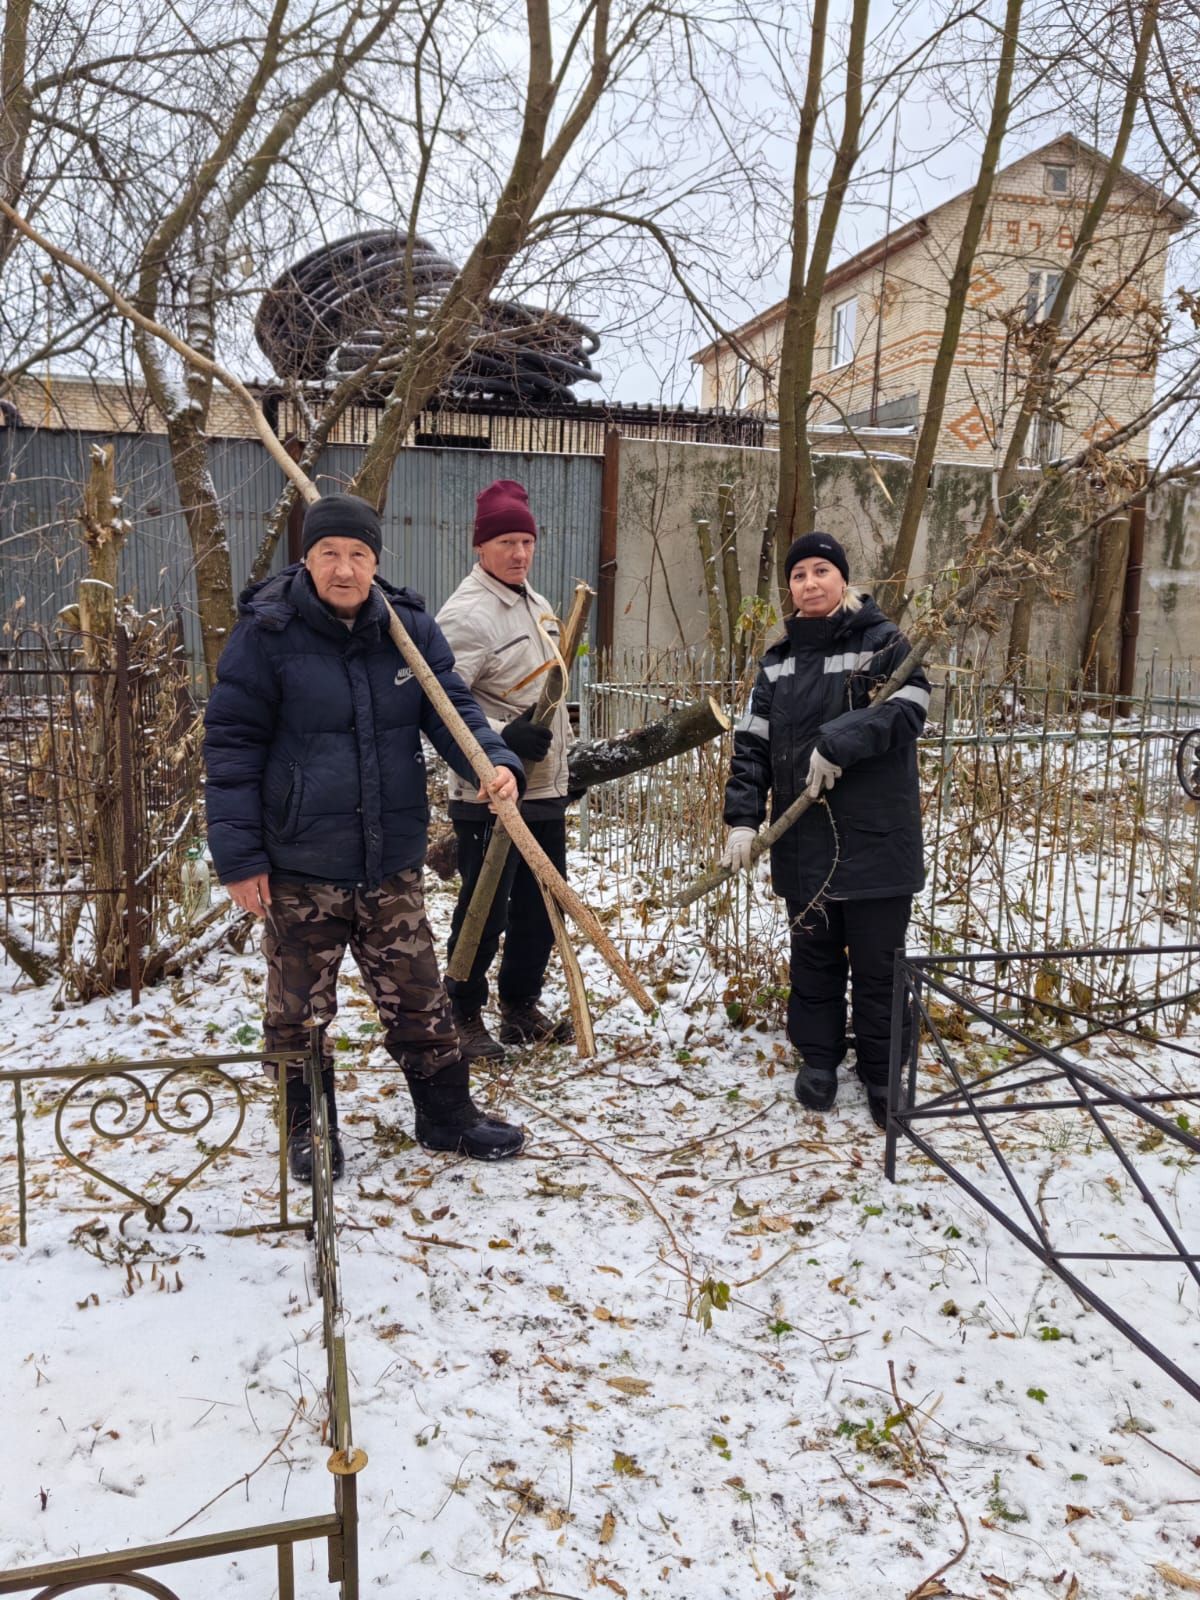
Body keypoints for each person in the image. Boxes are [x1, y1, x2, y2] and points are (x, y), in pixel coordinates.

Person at [203, 492, 528, 1178]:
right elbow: (231, 746)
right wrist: (238, 858)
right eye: (329, 553)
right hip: (298, 865)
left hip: (390, 861)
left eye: (357, 554)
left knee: (420, 1000)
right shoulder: (267, 632)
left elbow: (452, 707)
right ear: (308, 557)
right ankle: (308, 1130)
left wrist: (493, 762)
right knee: (298, 1013)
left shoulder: (404, 627)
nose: (344, 569)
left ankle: (446, 1115)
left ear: (376, 560)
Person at [722, 531, 930, 1129]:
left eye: (821, 571)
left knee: (878, 965)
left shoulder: (884, 643)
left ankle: (883, 1072)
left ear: (843, 579)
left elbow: (908, 709)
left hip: (876, 839)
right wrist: (741, 819)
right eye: (798, 575)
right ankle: (819, 1059)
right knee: (812, 957)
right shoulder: (777, 662)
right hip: (804, 841)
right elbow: (751, 748)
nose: (809, 583)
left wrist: (838, 743)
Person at [436, 479, 574, 1061]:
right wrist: (500, 741)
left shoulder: (534, 602)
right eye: (506, 542)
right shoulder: (467, 614)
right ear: (480, 548)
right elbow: (441, 704)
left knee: (542, 906)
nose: (519, 553)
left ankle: (520, 1005)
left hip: (541, 787)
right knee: (484, 907)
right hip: (489, 791)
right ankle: (461, 1011)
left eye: (526, 541)